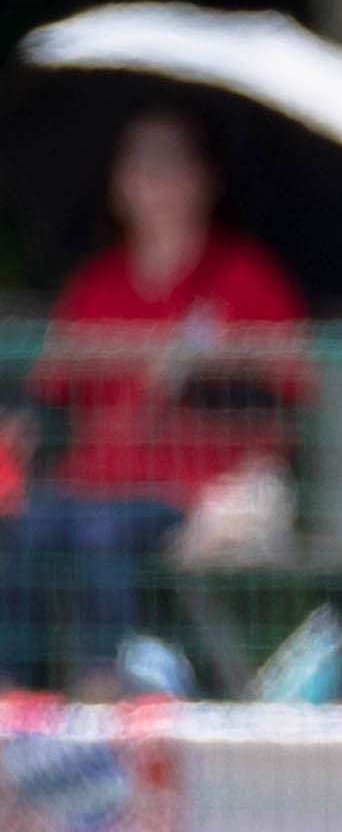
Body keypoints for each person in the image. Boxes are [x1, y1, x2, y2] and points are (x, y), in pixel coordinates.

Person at [5, 109, 307, 694]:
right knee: (33, 525)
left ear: (208, 179)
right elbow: (50, 397)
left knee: (99, 530)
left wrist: (211, 372)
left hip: (196, 488)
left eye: (171, 162)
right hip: (95, 479)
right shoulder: (95, 283)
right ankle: (12, 693)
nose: (153, 178)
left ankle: (102, 686)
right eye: (139, 163)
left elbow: (286, 400)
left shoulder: (246, 276)